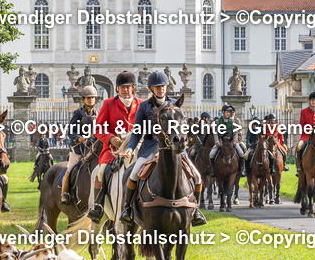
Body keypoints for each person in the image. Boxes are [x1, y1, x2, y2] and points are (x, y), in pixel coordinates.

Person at [120, 72, 207, 226]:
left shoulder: (175, 104)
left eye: (163, 86)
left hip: (174, 149)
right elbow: (137, 131)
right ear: (151, 88)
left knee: (197, 176)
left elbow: (181, 127)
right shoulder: (144, 107)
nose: (161, 89)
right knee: (134, 173)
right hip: (150, 148)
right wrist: (131, 148)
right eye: (157, 86)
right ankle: (128, 209)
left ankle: (195, 211)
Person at [85, 71, 140, 221]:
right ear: (117, 89)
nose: (125, 90)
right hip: (113, 150)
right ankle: (98, 206)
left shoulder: (141, 104)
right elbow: (98, 128)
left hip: (137, 148)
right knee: (101, 172)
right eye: (122, 87)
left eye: (128, 87)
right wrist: (110, 138)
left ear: (133, 87)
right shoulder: (108, 103)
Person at [61, 85, 99, 204]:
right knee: (70, 168)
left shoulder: (99, 112)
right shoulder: (78, 113)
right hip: (80, 148)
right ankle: (64, 193)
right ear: (83, 99)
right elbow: (70, 132)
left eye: (92, 98)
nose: (90, 100)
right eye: (88, 98)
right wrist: (79, 138)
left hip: (95, 146)